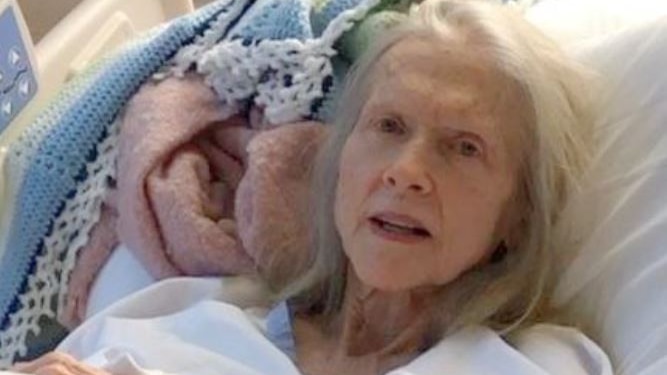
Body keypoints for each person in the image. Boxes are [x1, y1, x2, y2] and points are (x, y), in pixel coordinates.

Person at [10, 0, 606, 374]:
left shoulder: (536, 364)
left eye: (463, 147)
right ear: (341, 159)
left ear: (519, 215)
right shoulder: (181, 317)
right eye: (388, 126)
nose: (406, 170)